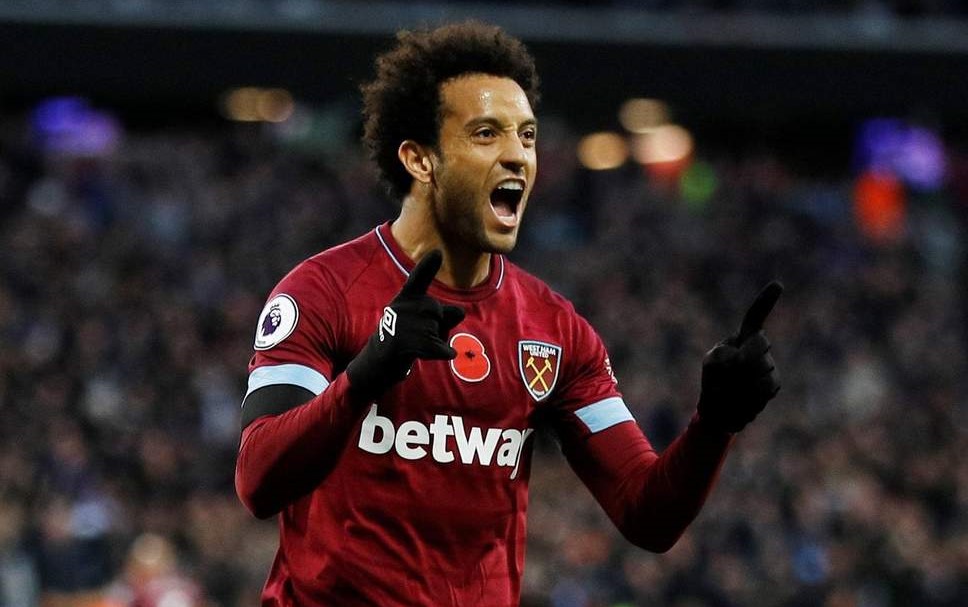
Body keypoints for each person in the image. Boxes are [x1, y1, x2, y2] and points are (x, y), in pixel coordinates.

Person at [234, 20, 781, 607]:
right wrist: (366, 374)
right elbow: (258, 481)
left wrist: (713, 425)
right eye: (486, 134)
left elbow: (648, 515)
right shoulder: (323, 292)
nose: (517, 155)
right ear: (420, 159)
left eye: (527, 136)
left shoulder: (555, 330)